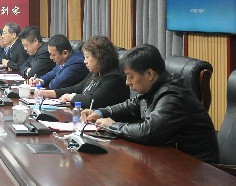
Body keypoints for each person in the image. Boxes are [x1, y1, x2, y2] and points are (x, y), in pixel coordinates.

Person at [83, 44, 218, 162]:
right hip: (170, 159)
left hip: (195, 167)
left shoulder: (173, 95)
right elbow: (128, 106)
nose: (127, 82)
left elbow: (148, 131)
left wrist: (112, 125)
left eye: (131, 76)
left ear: (149, 74)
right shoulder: (153, 88)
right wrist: (101, 112)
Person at [41, 35, 129, 108]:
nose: (85, 61)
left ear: (99, 57)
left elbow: (93, 100)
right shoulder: (96, 73)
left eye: (87, 57)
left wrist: (71, 97)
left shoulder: (114, 78)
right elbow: (78, 88)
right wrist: (50, 93)